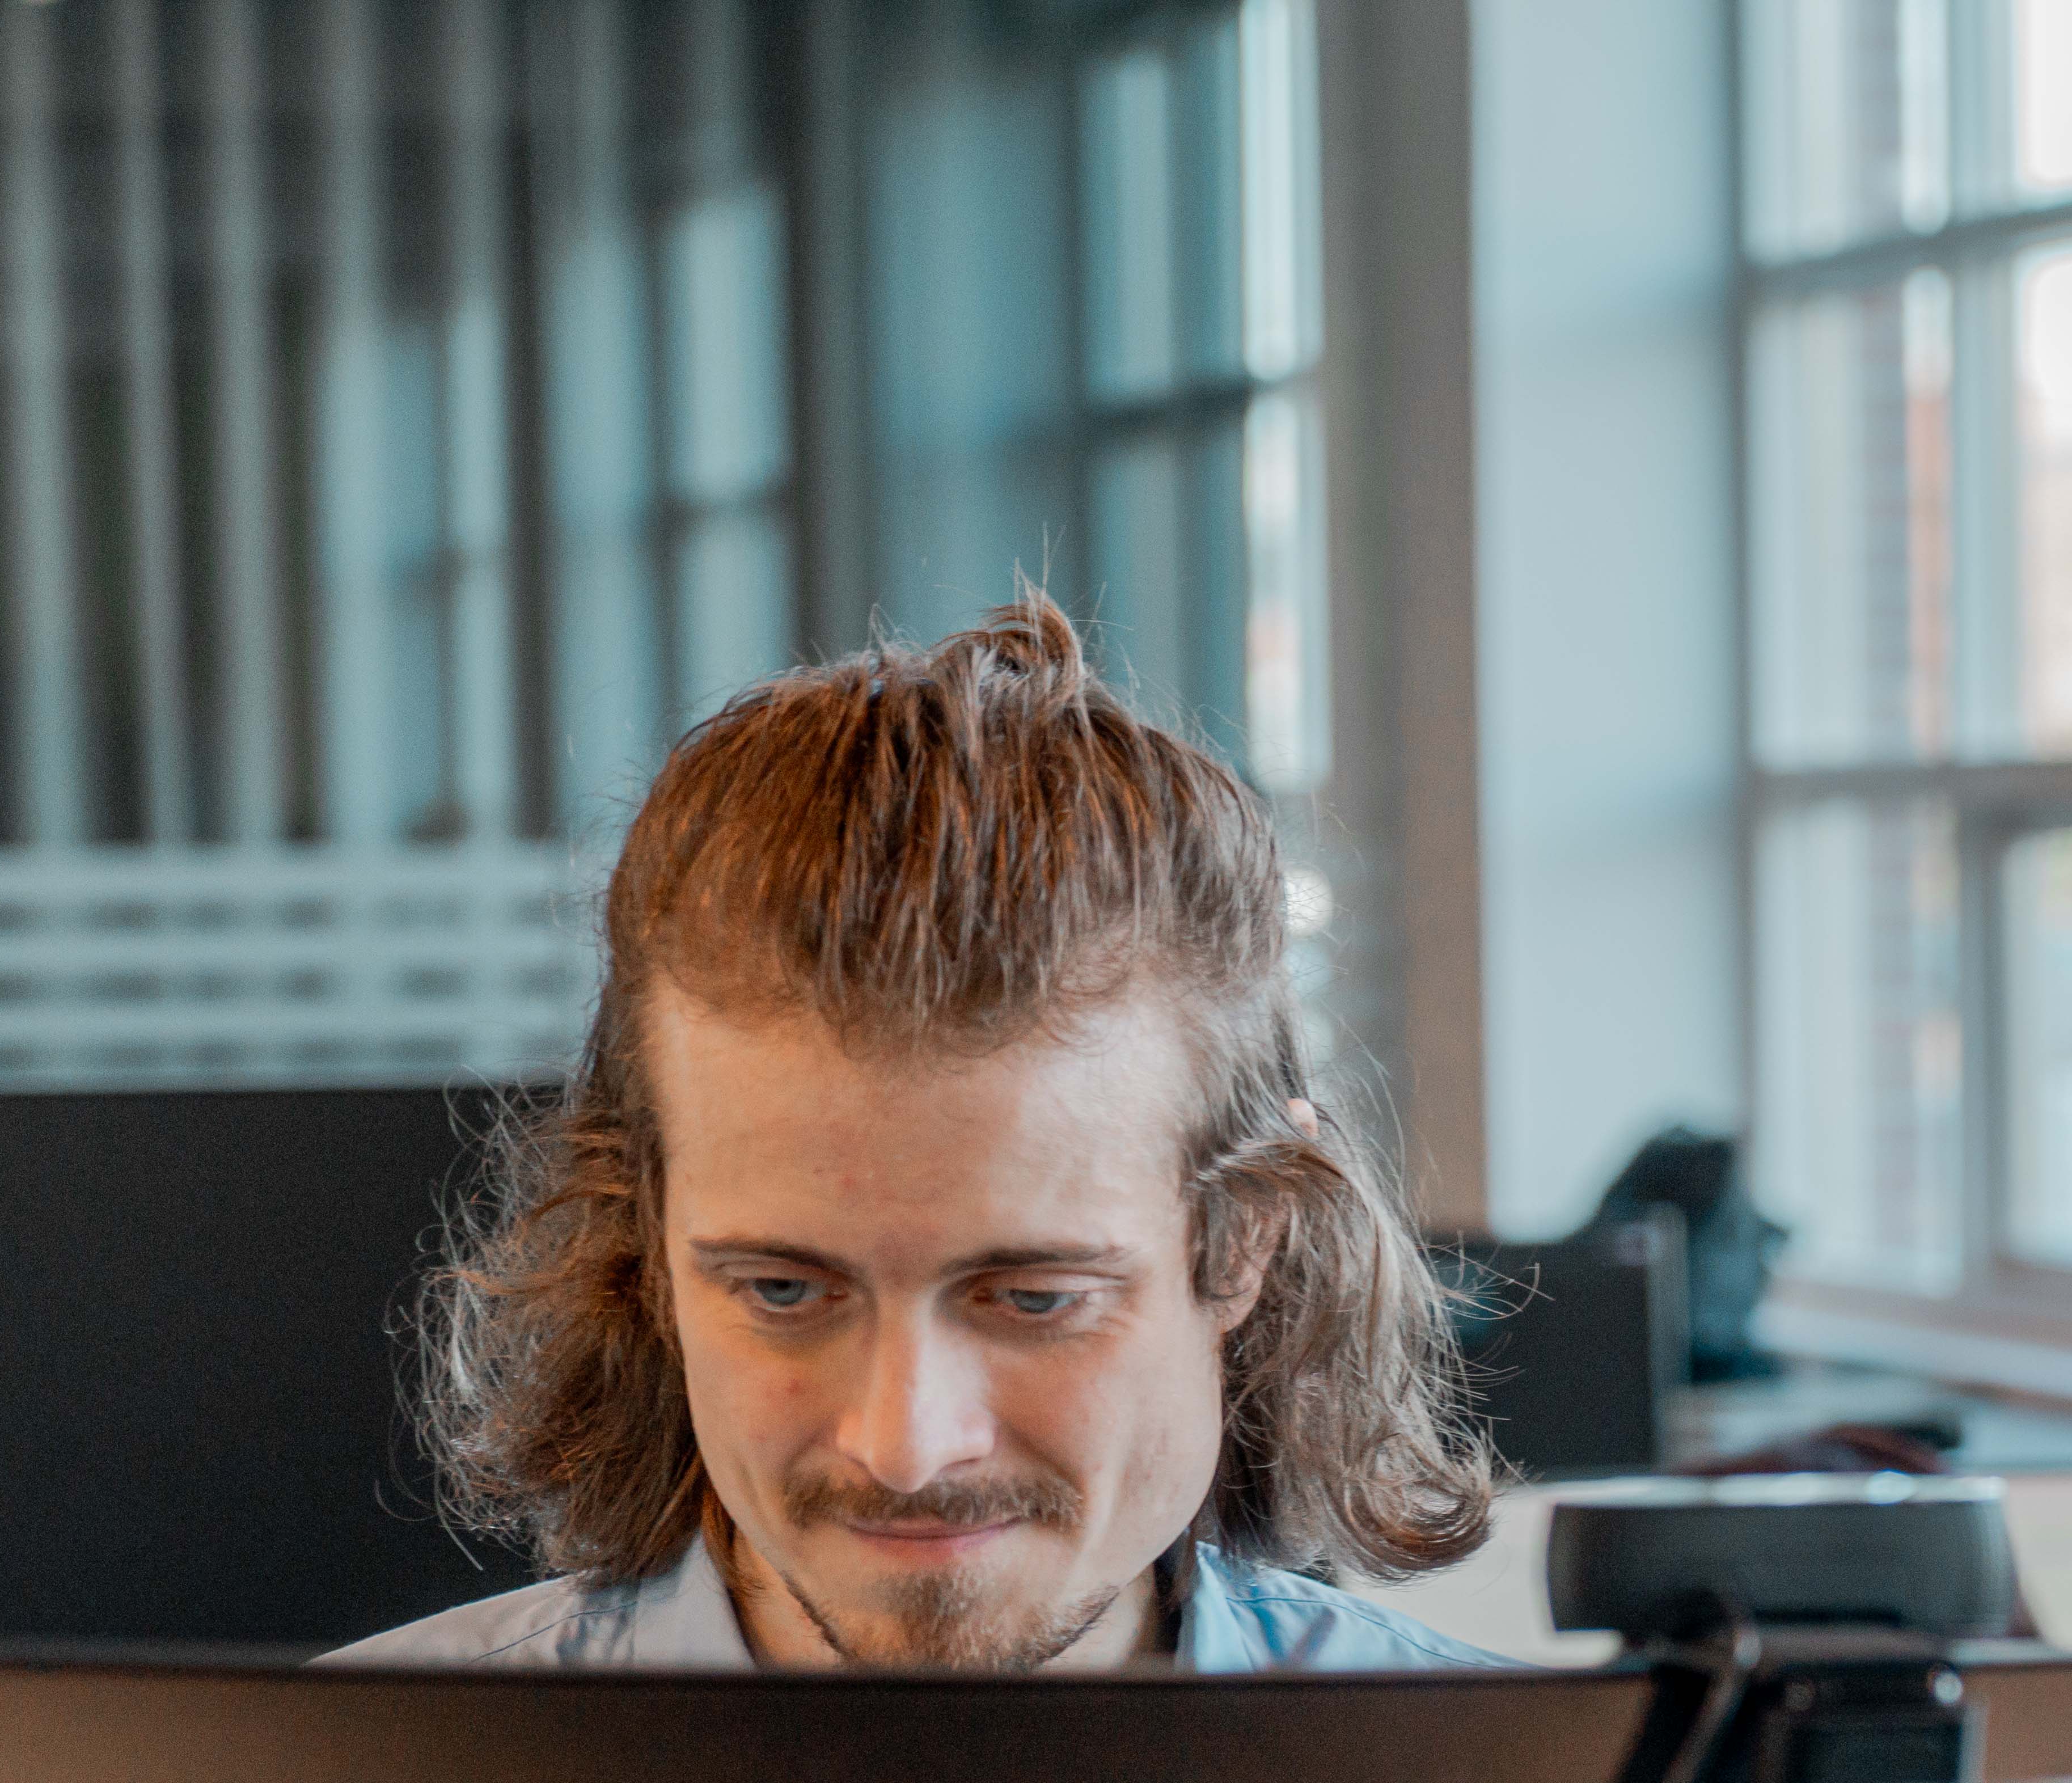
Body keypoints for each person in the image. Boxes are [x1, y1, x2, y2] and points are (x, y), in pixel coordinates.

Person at [332, 594, 1499, 1671]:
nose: (903, 1449)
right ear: (646, 1243)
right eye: (784, 1293)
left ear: (1246, 1238)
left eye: (1034, 1298)